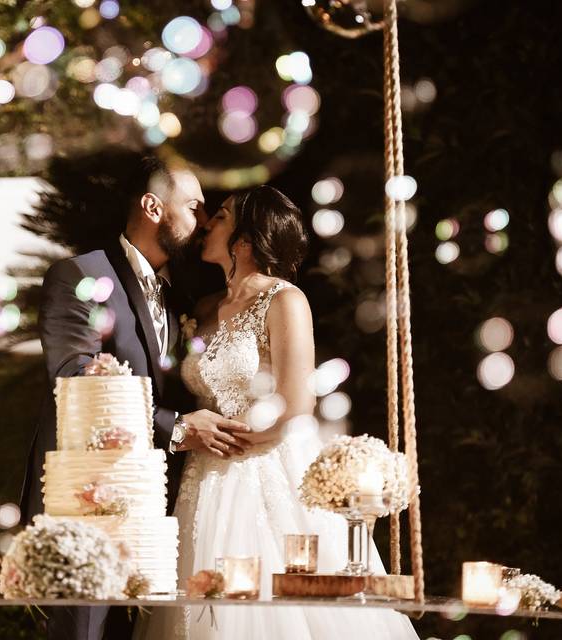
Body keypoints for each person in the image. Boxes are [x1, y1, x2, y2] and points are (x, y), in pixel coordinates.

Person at [137, 186, 419, 639]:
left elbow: (296, 406)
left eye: (222, 216)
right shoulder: (204, 308)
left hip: (267, 468)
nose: (208, 222)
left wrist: (228, 442)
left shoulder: (284, 300)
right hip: (201, 476)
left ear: (245, 238)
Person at [20, 154, 251, 640]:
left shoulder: (178, 299)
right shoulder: (81, 276)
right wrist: (182, 428)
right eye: (193, 206)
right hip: (87, 512)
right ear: (153, 207)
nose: (203, 220)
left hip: (153, 518)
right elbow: (75, 379)